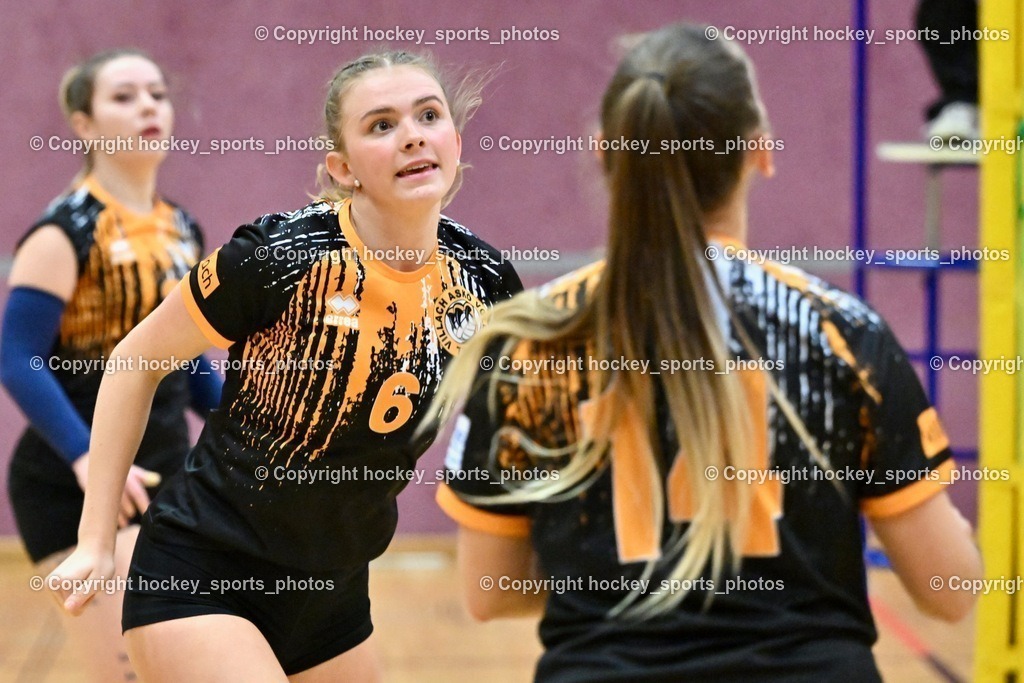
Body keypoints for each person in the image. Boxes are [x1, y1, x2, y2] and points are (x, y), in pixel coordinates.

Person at [425, 24, 983, 682]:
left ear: (606, 155)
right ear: (761, 151)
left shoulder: (531, 342)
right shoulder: (841, 333)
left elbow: (488, 590)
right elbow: (949, 588)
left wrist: (616, 574)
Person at [47, 50, 522, 681]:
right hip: (205, 568)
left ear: (455, 143)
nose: (411, 134)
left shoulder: (486, 279)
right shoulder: (278, 258)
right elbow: (135, 361)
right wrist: (96, 541)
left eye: (428, 116)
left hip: (334, 588)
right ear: (342, 167)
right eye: (381, 125)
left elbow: (533, 411)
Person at [0, 49, 221, 683]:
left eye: (157, 92)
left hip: (166, 472)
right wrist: (87, 455)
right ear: (85, 124)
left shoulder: (183, 230)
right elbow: (18, 360)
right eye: (124, 96)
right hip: (75, 482)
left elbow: (191, 365)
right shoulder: (62, 233)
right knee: (133, 672)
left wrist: (259, 420)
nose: (149, 105)